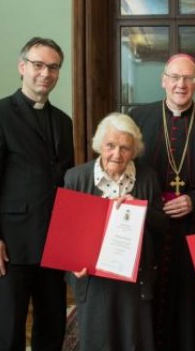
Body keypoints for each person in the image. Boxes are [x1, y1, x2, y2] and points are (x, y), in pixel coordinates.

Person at [0, 37, 74, 350]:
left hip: (54, 244)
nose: (45, 73)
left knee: (52, 325)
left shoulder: (63, 121)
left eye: (53, 67)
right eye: (38, 65)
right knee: (8, 329)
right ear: (22, 67)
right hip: (11, 246)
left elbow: (66, 182)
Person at [130, 53, 195, 351]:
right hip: (150, 223)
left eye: (188, 78)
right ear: (163, 81)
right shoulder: (138, 117)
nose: (181, 84)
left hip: (194, 224)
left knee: (190, 298)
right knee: (149, 293)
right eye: (175, 77)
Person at [64, 112, 168, 351]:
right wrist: (72, 265)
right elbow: (67, 234)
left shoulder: (147, 178)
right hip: (93, 279)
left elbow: (162, 226)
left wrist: (140, 210)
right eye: (110, 145)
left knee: (134, 340)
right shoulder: (76, 178)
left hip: (134, 278)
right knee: (98, 341)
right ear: (100, 144)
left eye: (125, 148)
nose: (117, 154)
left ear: (134, 150)